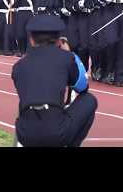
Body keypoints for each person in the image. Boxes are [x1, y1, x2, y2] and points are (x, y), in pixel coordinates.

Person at [12, 14, 98, 146]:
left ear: (31, 40)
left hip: (25, 133)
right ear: (59, 40)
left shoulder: (19, 66)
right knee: (89, 100)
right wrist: (71, 55)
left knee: (25, 101)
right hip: (56, 132)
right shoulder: (66, 58)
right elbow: (82, 87)